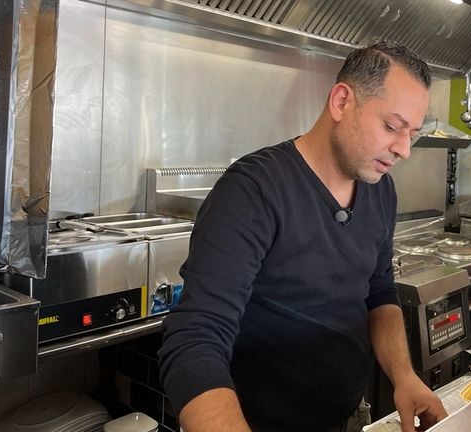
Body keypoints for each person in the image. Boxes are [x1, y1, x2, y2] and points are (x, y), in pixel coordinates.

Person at [158, 40, 447, 432]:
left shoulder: (380, 189)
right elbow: (195, 341)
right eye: (392, 127)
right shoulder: (253, 191)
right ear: (342, 101)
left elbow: (379, 293)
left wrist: (404, 376)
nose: (404, 149)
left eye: (412, 133)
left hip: (345, 416)